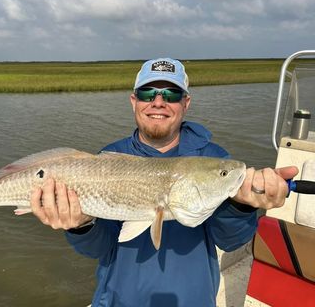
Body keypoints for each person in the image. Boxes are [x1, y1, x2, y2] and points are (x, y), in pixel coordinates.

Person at [30, 58, 298, 306]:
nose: (158, 102)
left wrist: (243, 206)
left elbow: (229, 241)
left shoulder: (214, 159)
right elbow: (99, 248)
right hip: (118, 300)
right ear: (134, 101)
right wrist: (80, 226)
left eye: (171, 94)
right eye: (148, 93)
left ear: (186, 103)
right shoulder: (107, 159)